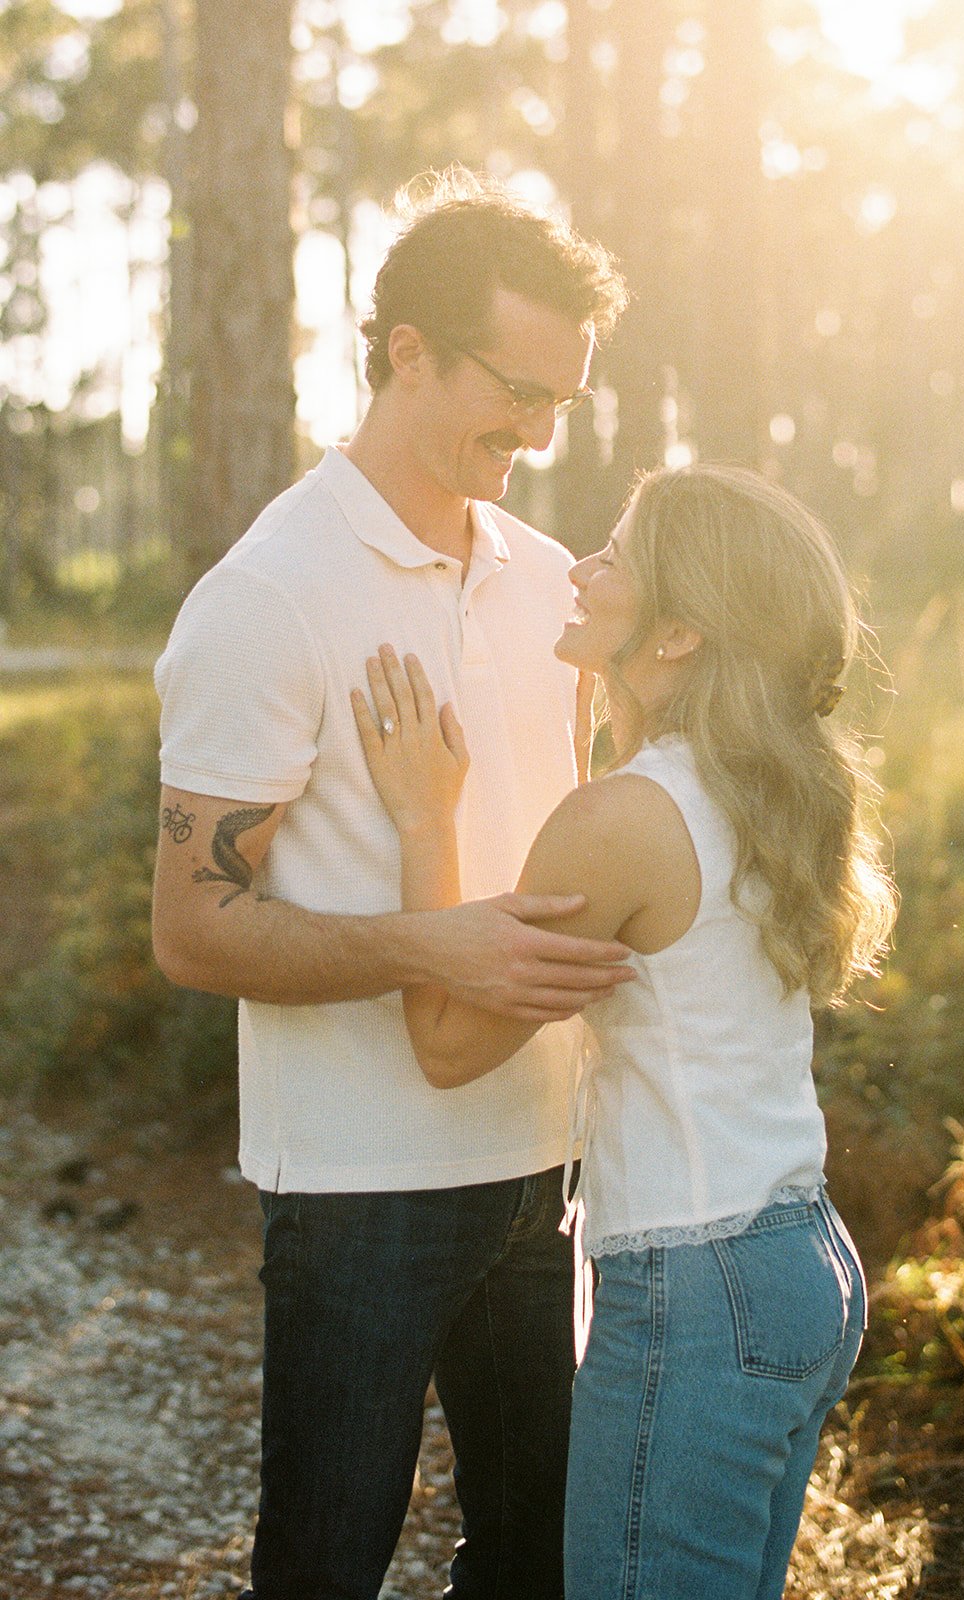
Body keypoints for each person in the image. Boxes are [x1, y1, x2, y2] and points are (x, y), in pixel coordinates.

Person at [151, 169, 629, 1600]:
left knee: (539, 1559)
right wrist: (438, 949)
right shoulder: (268, 596)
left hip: (551, 1162)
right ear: (404, 348)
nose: (540, 435)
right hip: (361, 1184)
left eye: (563, 403)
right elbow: (190, 926)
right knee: (324, 1563)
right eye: (515, 390)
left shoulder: (551, 580)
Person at [352, 463, 898, 1600]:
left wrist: (421, 815)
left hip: (699, 1291)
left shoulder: (619, 820)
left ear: (681, 631)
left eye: (615, 555)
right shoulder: (754, 787)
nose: (580, 568)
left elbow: (448, 1045)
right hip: (801, 1262)